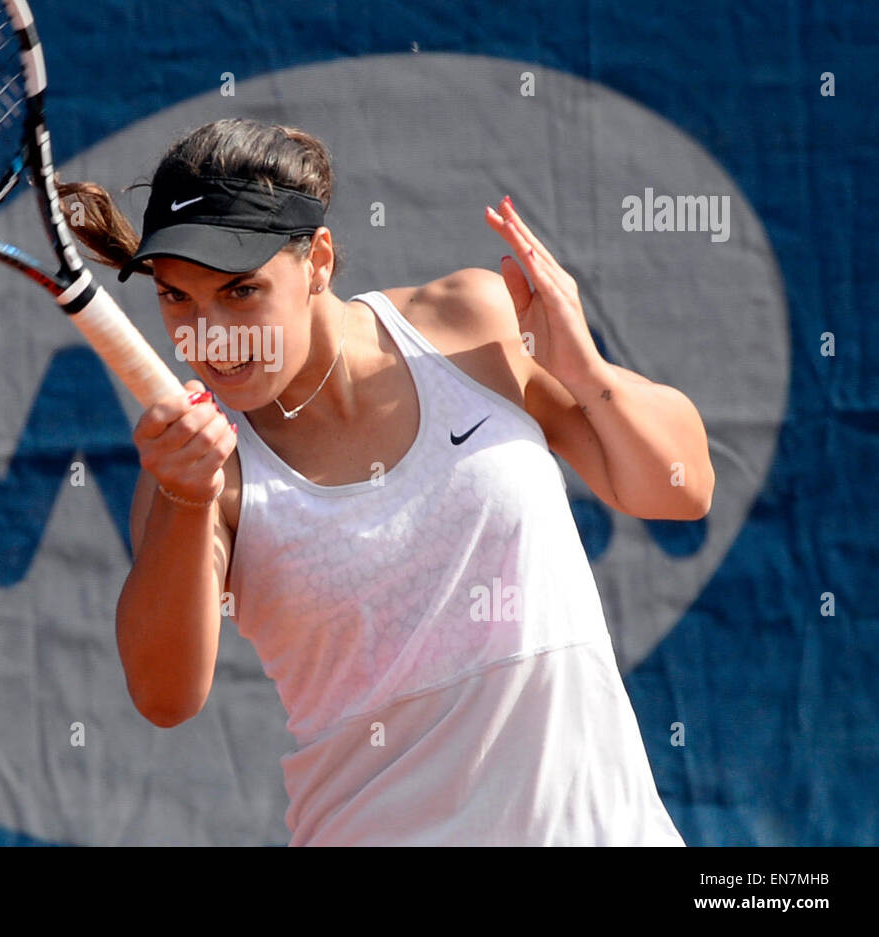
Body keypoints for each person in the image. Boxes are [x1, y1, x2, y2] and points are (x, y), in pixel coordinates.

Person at [59, 117, 713, 846]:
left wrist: (587, 372)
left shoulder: (468, 324)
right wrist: (186, 495)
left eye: (240, 291)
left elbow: (680, 489)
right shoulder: (205, 473)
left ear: (318, 262)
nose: (209, 334)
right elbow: (164, 696)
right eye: (178, 297)